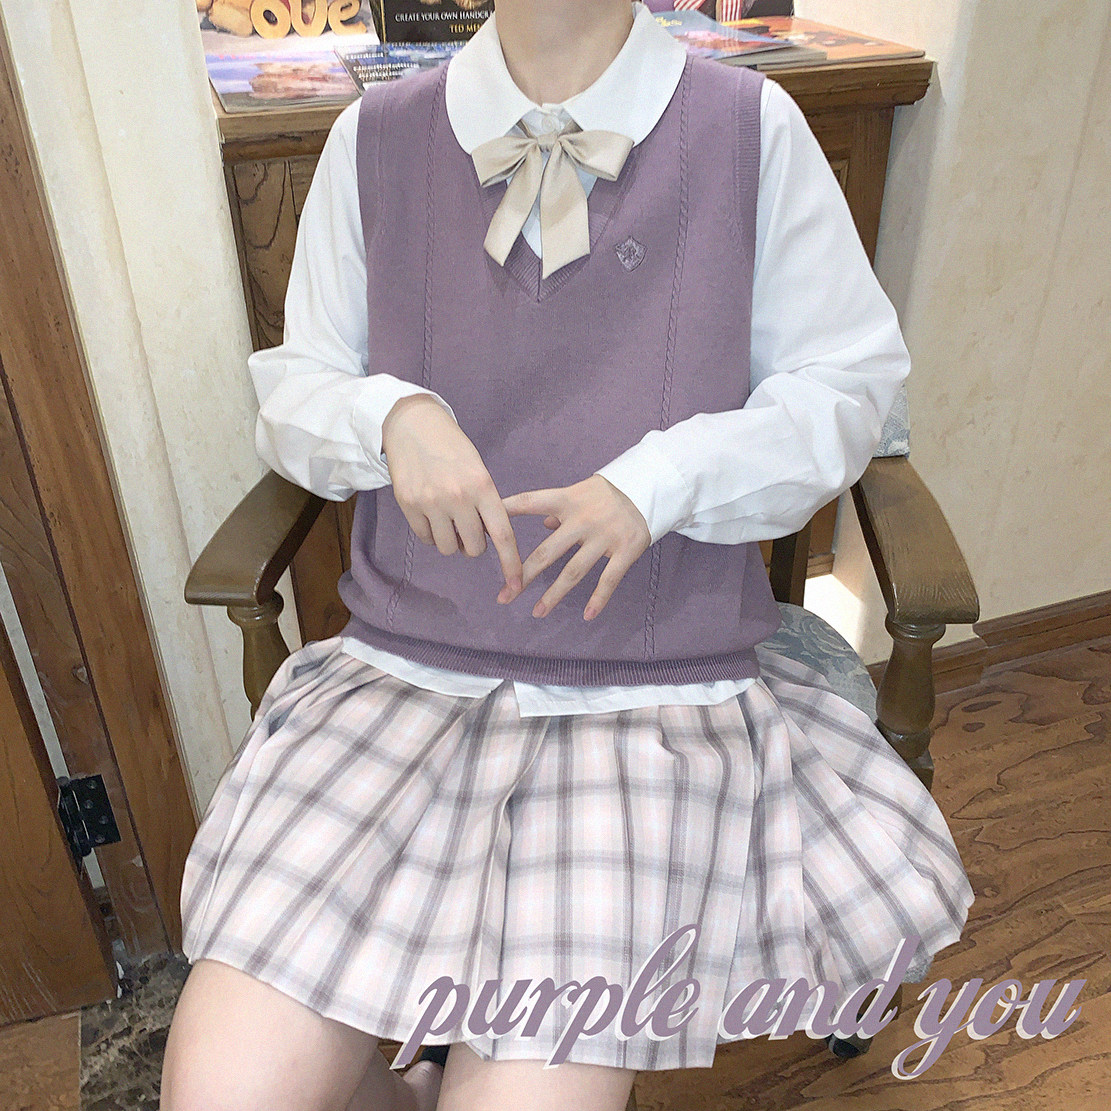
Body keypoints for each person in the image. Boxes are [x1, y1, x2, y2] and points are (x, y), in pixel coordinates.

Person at [161, 2, 974, 1109]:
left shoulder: (749, 129)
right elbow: (301, 385)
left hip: (649, 703)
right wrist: (390, 415)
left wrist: (663, 481)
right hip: (405, 676)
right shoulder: (377, 138)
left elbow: (845, 389)